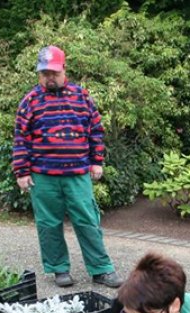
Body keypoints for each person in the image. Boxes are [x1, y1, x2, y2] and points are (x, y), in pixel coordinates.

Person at [13, 45, 122, 288]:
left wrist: (97, 162)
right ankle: (59, 269)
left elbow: (95, 130)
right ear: (39, 74)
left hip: (77, 174)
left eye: (53, 72)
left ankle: (101, 269)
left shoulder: (82, 97)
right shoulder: (29, 102)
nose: (49, 77)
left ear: (64, 69)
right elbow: (21, 138)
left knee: (87, 221)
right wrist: (22, 171)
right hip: (43, 177)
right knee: (48, 224)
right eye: (44, 73)